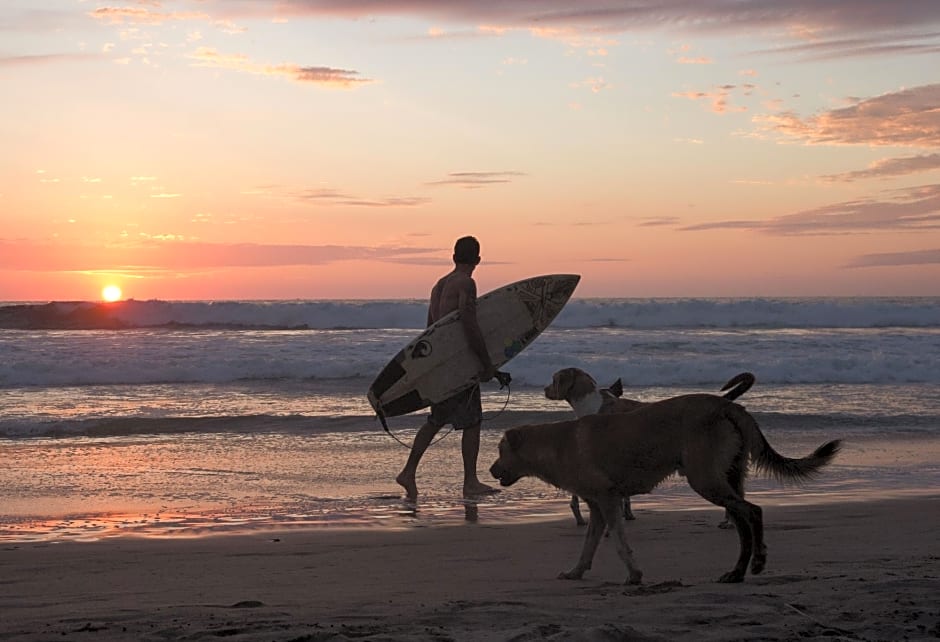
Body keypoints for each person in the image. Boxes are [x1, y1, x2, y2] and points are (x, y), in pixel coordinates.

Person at [395, 236, 500, 501]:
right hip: (459, 365)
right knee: (473, 421)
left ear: (454, 257)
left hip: (441, 363)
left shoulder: (439, 285)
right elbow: (469, 323)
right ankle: (470, 482)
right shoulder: (467, 283)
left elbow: (430, 329)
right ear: (478, 259)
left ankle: (408, 472)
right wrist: (486, 363)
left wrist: (430, 366)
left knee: (436, 420)